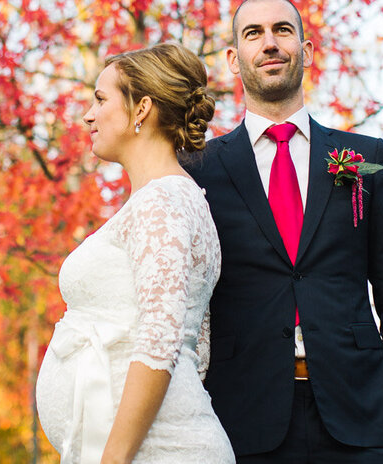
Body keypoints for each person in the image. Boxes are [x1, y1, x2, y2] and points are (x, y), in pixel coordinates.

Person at [184, 0, 383, 463]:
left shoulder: (367, 157)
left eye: (282, 30)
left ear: (307, 50)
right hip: (240, 423)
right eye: (253, 34)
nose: (270, 43)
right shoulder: (197, 169)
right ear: (235, 60)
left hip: (364, 421)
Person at [36, 42, 236, 464]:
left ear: (141, 109)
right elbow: (196, 349)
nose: (88, 115)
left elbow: (161, 339)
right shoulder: (168, 200)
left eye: (100, 99)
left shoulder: (162, 202)